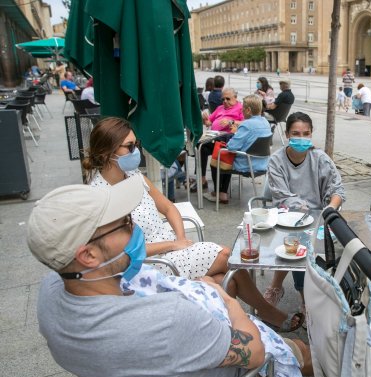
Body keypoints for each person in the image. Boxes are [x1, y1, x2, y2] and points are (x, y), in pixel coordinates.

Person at [27, 178, 311, 377]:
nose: (136, 230)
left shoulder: (50, 293)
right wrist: (228, 301)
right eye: (125, 223)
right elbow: (255, 354)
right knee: (297, 349)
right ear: (88, 256)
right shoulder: (168, 318)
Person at [83, 117, 303, 332]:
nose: (135, 152)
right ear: (107, 151)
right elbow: (121, 253)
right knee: (227, 257)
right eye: (129, 147)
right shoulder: (99, 197)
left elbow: (169, 208)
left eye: (136, 145)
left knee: (221, 282)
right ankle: (264, 316)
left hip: (172, 249)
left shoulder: (133, 175)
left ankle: (236, 329)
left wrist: (179, 239)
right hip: (150, 264)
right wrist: (171, 245)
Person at [263, 112, 346, 309]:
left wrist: (330, 209)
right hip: (286, 218)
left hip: (318, 217)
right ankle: (297, 293)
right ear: (287, 133)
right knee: (297, 241)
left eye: (306, 133)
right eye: (296, 133)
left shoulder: (320, 159)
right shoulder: (276, 160)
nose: (301, 138)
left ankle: (297, 290)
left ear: (311, 134)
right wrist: (306, 212)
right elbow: (283, 197)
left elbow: (337, 190)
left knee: (315, 242)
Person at [209, 95, 272, 204]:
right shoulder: (265, 122)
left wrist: (235, 133)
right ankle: (222, 192)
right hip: (262, 163)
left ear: (248, 110)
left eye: (243, 108)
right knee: (225, 155)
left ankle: (220, 193)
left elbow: (232, 147)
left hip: (246, 165)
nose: (241, 110)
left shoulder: (247, 124)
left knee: (218, 158)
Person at [195, 87, 244, 192]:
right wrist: (205, 118)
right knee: (200, 147)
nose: (225, 101)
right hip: (214, 138)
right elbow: (208, 123)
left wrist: (231, 121)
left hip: (228, 141)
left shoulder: (241, 108)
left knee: (216, 153)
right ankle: (202, 178)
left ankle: (220, 190)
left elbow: (245, 123)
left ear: (235, 98)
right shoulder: (219, 108)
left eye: (228, 99)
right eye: (223, 99)